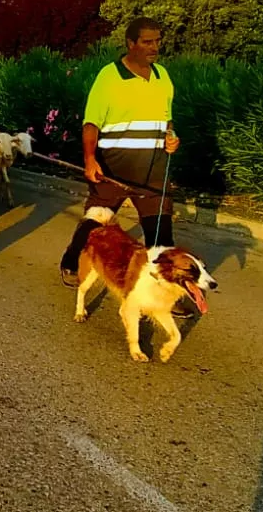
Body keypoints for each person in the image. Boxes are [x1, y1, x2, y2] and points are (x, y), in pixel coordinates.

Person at [58, 18, 192, 311]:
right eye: (147, 41)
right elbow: (91, 122)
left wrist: (171, 137)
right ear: (130, 44)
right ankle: (70, 262)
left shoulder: (162, 76)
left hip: (154, 169)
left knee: (160, 234)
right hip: (113, 169)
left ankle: (163, 290)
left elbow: (166, 119)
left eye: (157, 41)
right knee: (96, 223)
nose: (154, 47)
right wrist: (90, 159)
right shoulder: (109, 77)